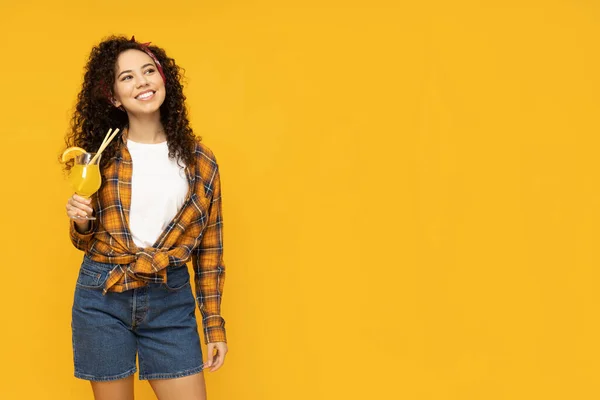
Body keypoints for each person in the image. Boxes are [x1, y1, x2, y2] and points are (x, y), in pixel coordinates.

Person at [62, 35, 228, 400]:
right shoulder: (99, 157)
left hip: (170, 295)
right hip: (102, 294)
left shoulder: (200, 160)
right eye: (127, 77)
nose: (142, 82)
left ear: (164, 79)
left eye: (149, 71)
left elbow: (211, 251)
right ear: (113, 96)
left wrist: (213, 326)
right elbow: (83, 240)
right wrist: (81, 220)